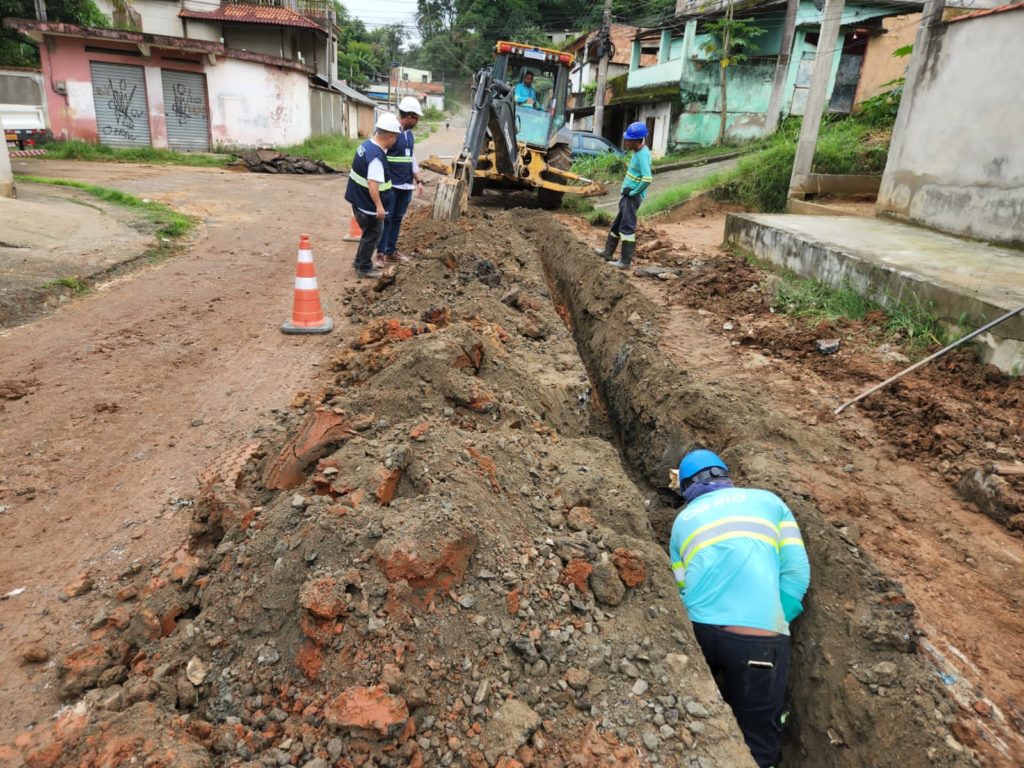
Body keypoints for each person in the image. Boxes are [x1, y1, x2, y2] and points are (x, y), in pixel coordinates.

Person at [669, 449, 810, 768]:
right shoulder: (769, 502)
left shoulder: (681, 522)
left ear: (687, 488)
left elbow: (681, 587)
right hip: (757, 641)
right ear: (725, 476)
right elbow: (797, 573)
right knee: (758, 738)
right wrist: (773, 618)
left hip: (698, 632)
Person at [344, 112, 401, 279]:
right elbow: (372, 183)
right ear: (389, 136)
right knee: (373, 235)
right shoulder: (376, 156)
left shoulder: (365, 146)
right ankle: (364, 267)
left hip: (359, 201)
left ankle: (359, 261)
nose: (395, 140)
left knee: (368, 235)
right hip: (368, 206)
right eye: (395, 137)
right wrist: (379, 206)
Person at [594, 122, 654, 269]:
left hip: (631, 198)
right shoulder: (637, 153)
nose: (626, 142)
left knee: (627, 228)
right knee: (616, 225)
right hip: (627, 197)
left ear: (637, 140)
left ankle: (625, 262)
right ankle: (607, 253)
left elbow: (647, 178)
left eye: (629, 140)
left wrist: (633, 192)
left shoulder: (642, 155)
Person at [377, 96, 425, 265]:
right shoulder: (390, 131)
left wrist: (418, 179)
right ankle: (380, 253)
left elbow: (410, 157)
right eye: (416, 117)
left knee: (397, 219)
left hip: (405, 184)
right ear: (410, 116)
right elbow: (379, 153)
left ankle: (391, 251)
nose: (417, 121)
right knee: (387, 218)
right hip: (391, 184)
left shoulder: (409, 135)